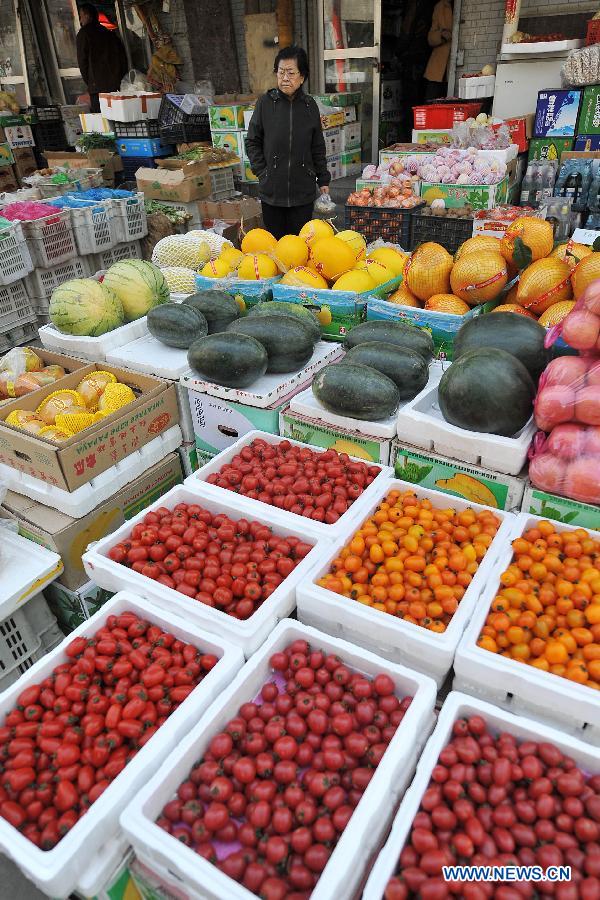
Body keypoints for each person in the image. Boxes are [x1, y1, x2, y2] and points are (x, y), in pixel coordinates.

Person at [245, 46, 331, 240]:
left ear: (302, 77)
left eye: (291, 73)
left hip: (303, 192)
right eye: (281, 72)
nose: (285, 78)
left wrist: (323, 178)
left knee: (300, 245)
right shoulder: (265, 103)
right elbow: (252, 141)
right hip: (272, 191)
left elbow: (317, 145)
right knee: (275, 245)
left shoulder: (310, 106)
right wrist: (263, 172)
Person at [76, 3, 128, 113]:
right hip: (115, 86)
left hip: (97, 87)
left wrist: (90, 82)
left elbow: (82, 62)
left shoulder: (84, 34)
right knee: (117, 116)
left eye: (81, 16)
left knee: (103, 120)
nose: (80, 20)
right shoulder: (109, 33)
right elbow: (122, 59)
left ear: (87, 15)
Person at [424, 0, 453, 101]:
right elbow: (431, 38)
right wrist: (441, 35)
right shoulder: (441, 6)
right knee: (431, 101)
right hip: (439, 66)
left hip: (454, 65)